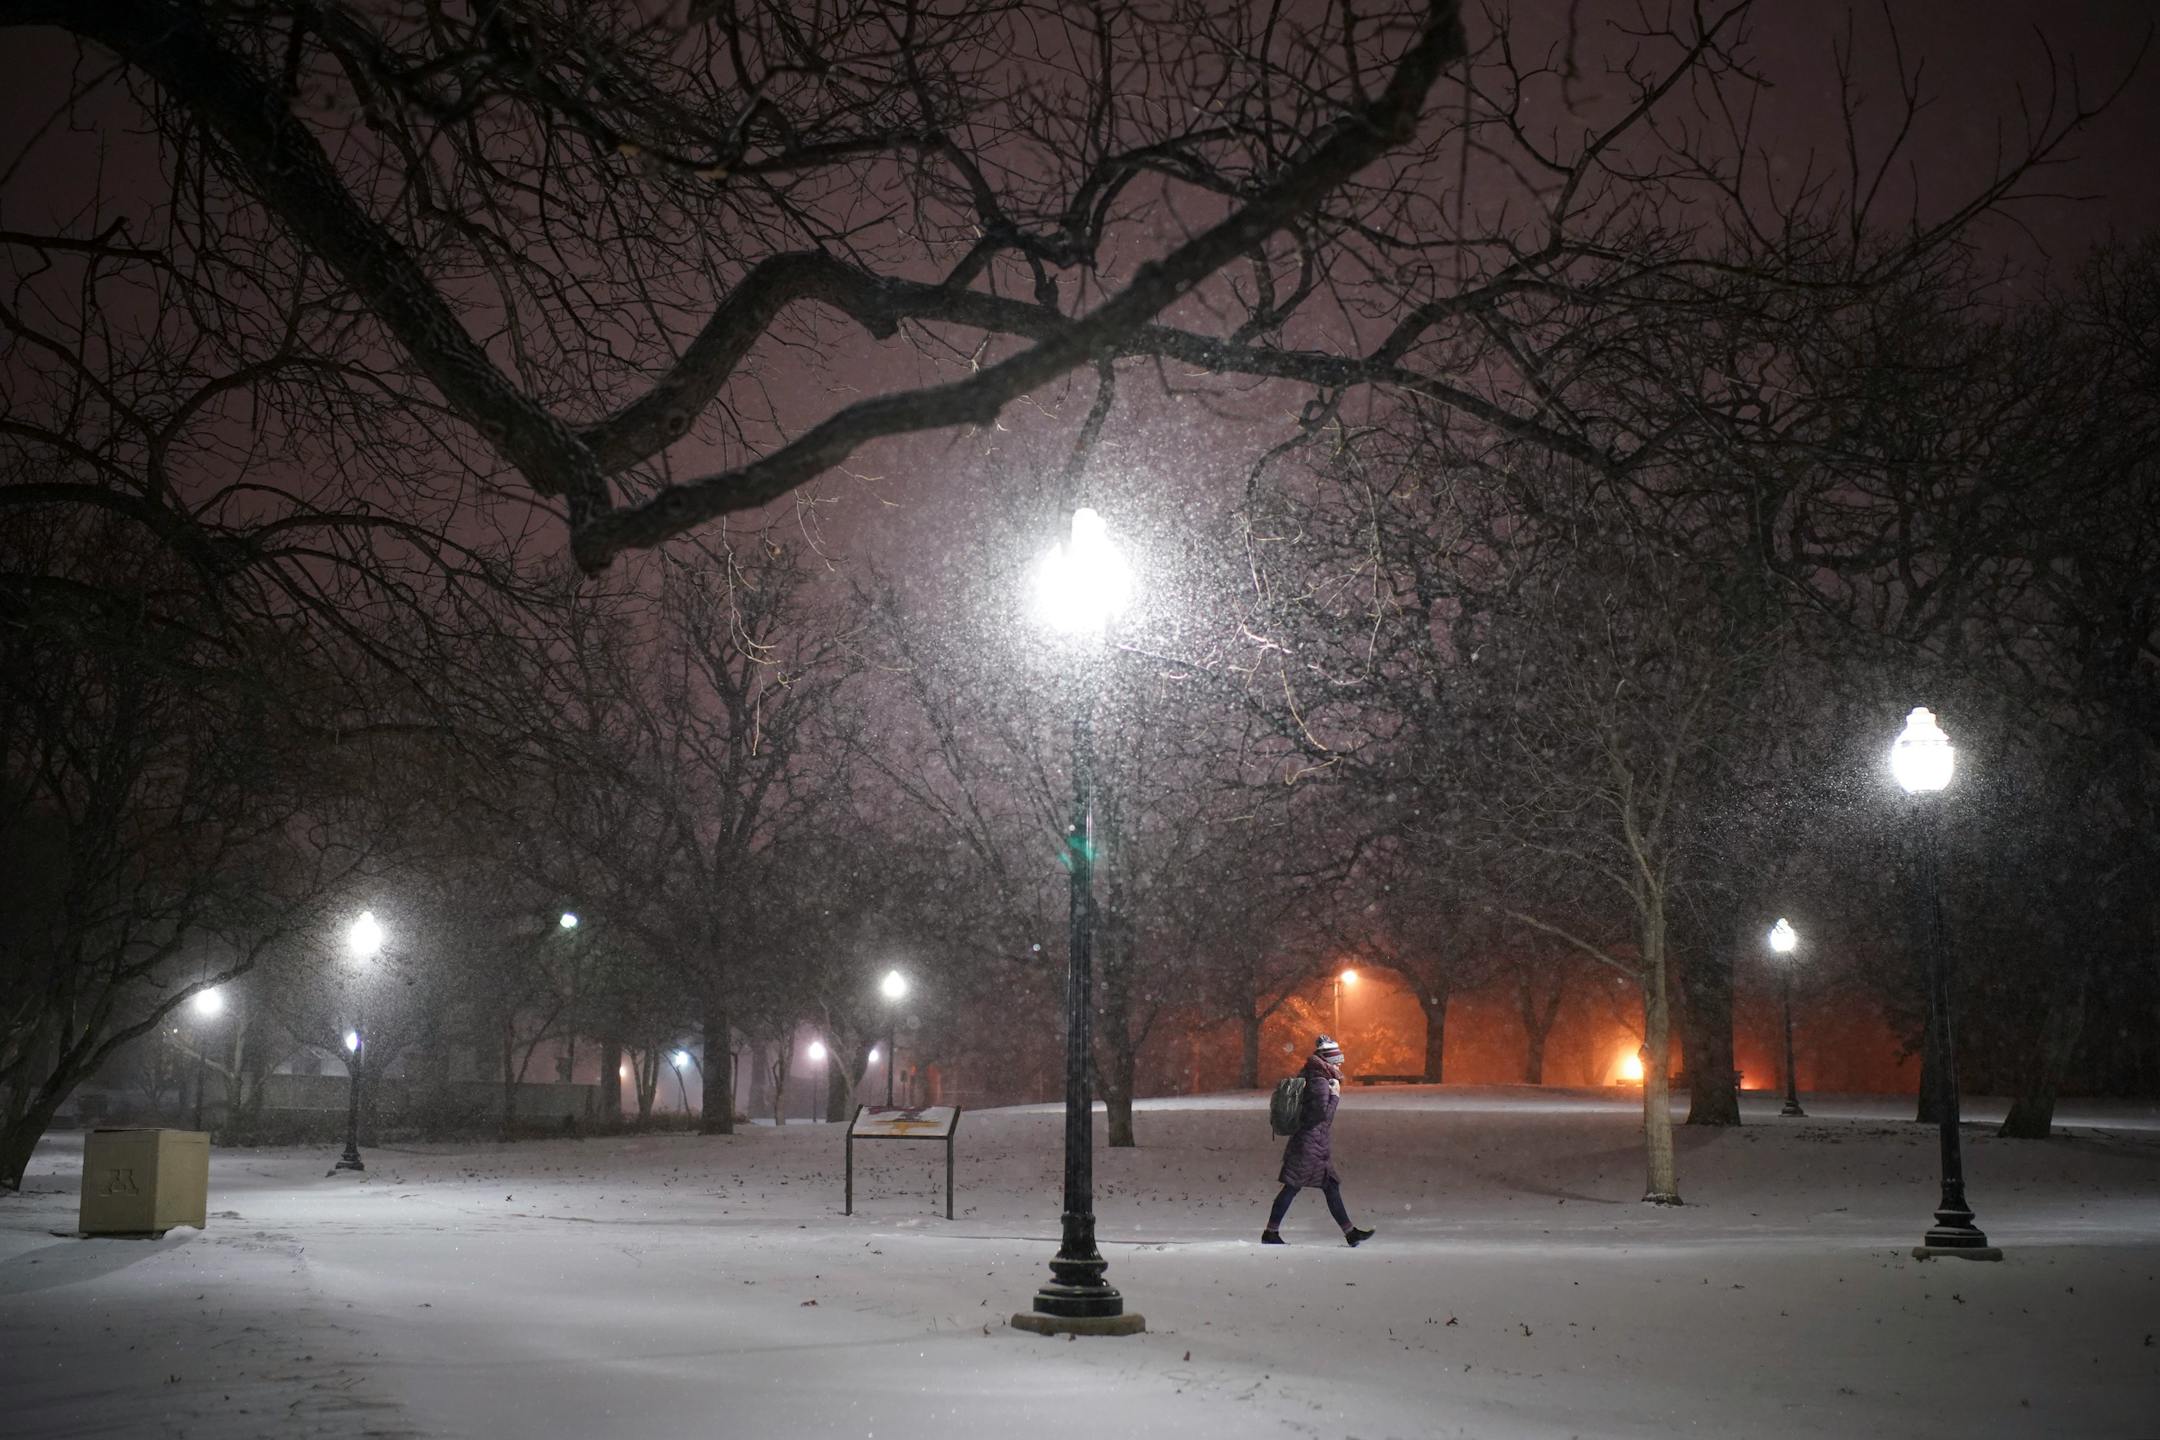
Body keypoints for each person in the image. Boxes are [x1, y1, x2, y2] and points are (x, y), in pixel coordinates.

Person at [1263, 1035, 1374, 1246]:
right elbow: (1322, 1116)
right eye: (1337, 1059)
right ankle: (1270, 1233)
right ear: (1328, 1060)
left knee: (1329, 1186)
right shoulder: (1320, 1082)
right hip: (1309, 1144)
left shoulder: (1314, 1076)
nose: (1341, 1063)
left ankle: (1351, 1233)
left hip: (1313, 1143)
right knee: (1292, 1186)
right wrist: (1335, 1097)